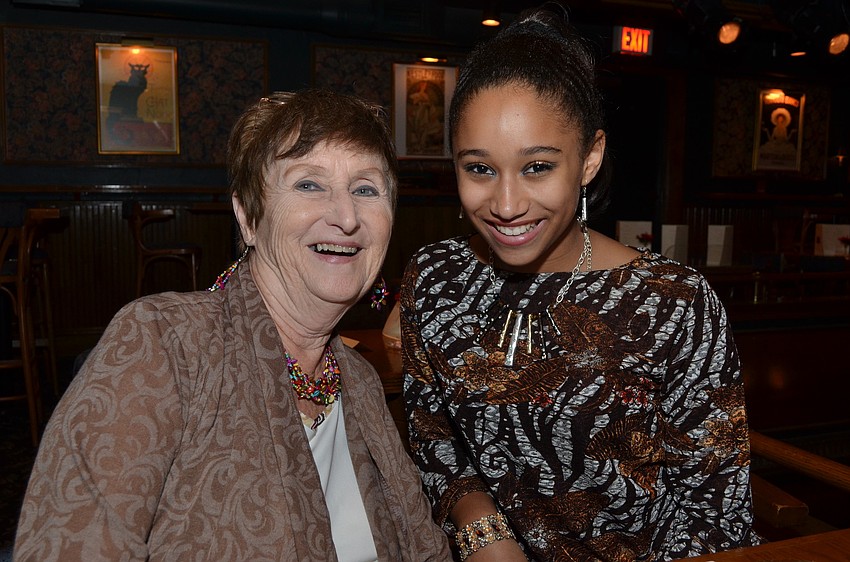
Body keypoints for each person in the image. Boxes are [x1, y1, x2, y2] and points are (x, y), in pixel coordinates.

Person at [14, 89, 450, 561]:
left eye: (366, 189)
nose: (346, 216)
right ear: (247, 216)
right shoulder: (165, 343)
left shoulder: (360, 382)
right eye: (309, 184)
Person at [401, 5, 760, 561]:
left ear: (589, 158)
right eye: (479, 168)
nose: (506, 204)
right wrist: (482, 529)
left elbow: (714, 511)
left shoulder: (673, 303)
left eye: (537, 166)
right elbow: (434, 438)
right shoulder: (436, 278)